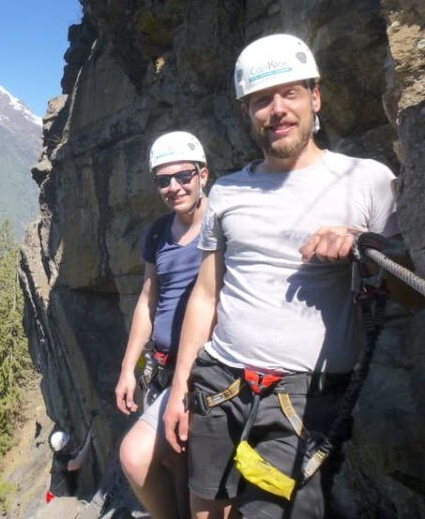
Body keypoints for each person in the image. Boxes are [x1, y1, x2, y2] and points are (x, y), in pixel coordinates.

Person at [163, 33, 399, 519]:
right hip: (218, 382)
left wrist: (363, 244)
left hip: (302, 398)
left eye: (290, 93)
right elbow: (206, 295)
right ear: (248, 113)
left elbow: (411, 292)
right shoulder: (227, 193)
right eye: (261, 100)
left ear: (316, 97)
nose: (277, 109)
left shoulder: (369, 180)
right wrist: (180, 388)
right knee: (206, 505)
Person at [116, 131, 209, 518]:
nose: (174, 187)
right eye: (163, 180)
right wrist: (127, 369)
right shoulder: (157, 232)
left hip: (208, 372)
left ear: (203, 173)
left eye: (183, 176)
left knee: (190, 465)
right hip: (164, 369)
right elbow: (148, 300)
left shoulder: (223, 225)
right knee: (148, 459)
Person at [46, 419, 95, 503]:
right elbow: (77, 463)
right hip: (57, 499)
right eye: (69, 443)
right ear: (63, 447)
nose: (71, 443)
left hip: (60, 496)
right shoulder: (60, 462)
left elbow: (75, 453)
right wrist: (88, 441)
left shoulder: (61, 454)